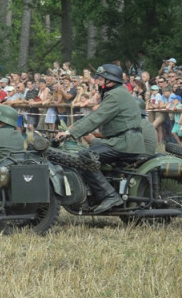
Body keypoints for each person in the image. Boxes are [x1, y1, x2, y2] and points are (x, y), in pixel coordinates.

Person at [55, 63, 147, 213]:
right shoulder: (117, 93)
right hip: (122, 140)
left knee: (84, 158)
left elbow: (97, 117)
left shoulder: (116, 95)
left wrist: (69, 133)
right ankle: (95, 195)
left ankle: (109, 195)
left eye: (99, 78)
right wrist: (72, 128)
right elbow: (96, 117)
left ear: (109, 81)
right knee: (88, 151)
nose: (96, 81)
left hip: (125, 143)